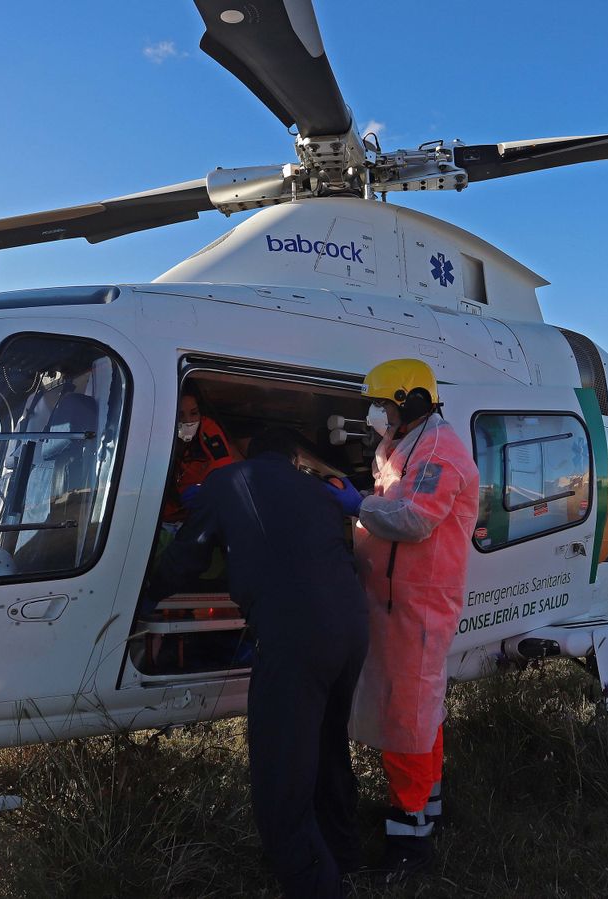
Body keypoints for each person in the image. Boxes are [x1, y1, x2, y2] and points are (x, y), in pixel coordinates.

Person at [148, 427, 368, 899]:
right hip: (352, 628)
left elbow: (187, 558)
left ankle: (315, 885)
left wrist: (144, 597)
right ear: (293, 460)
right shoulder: (320, 494)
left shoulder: (226, 482)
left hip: (296, 638)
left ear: (250, 452)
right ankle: (345, 855)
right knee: (329, 742)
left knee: (280, 773)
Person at [325, 359, 479, 878]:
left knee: (409, 716)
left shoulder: (441, 452)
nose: (376, 414)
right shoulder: (402, 446)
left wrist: (356, 506)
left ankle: (410, 841)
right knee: (421, 708)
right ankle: (426, 805)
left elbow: (413, 518)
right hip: (395, 601)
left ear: (410, 402)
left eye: (383, 404)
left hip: (418, 605)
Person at [161, 383, 240, 526]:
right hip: (162, 516)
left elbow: (223, 466)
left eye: (193, 413)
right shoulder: (157, 435)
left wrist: (204, 490)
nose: (188, 421)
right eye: (180, 415)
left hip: (198, 513)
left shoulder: (207, 429)